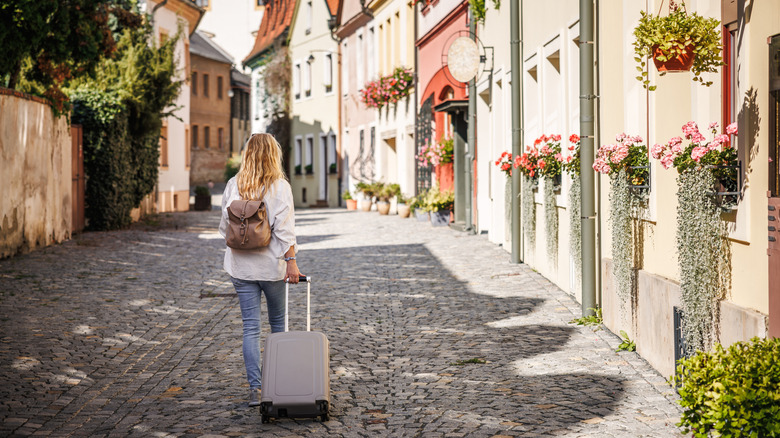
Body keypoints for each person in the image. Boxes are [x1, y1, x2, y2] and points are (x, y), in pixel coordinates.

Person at [218, 133, 302, 407]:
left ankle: (255, 389)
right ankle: (276, 385)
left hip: (241, 267)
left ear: (247, 155)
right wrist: (292, 262)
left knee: (251, 328)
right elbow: (285, 231)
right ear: (272, 155)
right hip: (272, 267)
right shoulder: (279, 186)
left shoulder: (234, 185)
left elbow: (224, 227)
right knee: (278, 326)